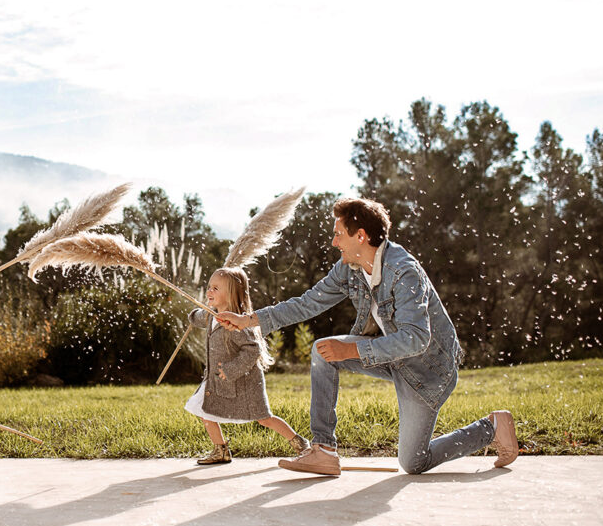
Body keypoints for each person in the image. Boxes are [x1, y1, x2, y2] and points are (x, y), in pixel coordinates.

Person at [216, 197, 518, 475]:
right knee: (323, 351)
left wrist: (352, 352)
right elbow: (308, 302)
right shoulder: (350, 267)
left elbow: (416, 338)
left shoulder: (404, 272)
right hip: (389, 357)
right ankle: (323, 451)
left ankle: (491, 427)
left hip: (427, 370)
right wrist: (248, 320)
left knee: (413, 461)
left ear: (361, 236)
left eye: (339, 235)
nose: (334, 243)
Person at [185, 267, 310, 464]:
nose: (209, 292)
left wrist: (230, 370)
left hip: (245, 383)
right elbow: (199, 316)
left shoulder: (237, 324)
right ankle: (221, 450)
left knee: (263, 418)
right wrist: (192, 316)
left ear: (232, 294)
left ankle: (300, 444)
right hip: (218, 382)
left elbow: (253, 350)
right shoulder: (211, 315)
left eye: (216, 288)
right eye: (209, 287)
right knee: (204, 410)